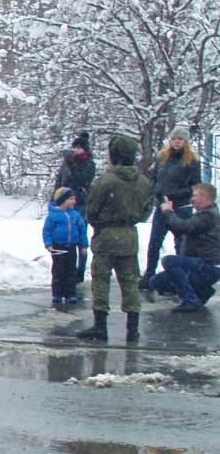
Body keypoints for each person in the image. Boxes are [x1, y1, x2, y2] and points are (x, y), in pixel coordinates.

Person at [76, 133, 151, 343]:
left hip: (107, 235)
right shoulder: (143, 181)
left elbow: (92, 207)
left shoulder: (107, 180)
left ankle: (100, 325)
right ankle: (132, 329)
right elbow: (147, 208)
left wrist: (99, 223)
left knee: (101, 280)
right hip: (129, 235)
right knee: (130, 282)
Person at [140, 126, 203, 297]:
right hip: (162, 206)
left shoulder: (191, 161)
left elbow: (195, 186)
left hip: (181, 208)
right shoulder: (162, 158)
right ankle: (149, 274)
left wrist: (175, 196)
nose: (176, 142)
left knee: (181, 245)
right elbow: (153, 178)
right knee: (154, 243)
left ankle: (180, 277)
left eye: (180, 139)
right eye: (174, 139)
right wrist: (157, 192)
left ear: (185, 142)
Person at [155, 182, 219, 314]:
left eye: (195, 195)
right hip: (199, 265)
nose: (192, 199)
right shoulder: (204, 214)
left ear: (205, 198)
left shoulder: (208, 217)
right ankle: (202, 290)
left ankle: (191, 300)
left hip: (207, 265)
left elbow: (184, 227)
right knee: (156, 282)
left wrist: (168, 211)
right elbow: (182, 229)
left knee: (169, 261)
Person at [42, 187, 88, 309]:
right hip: (58, 247)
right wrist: (48, 244)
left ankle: (70, 293)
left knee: (71, 271)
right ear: (62, 200)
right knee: (58, 270)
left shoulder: (75, 215)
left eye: (74, 199)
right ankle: (57, 293)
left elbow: (82, 229)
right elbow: (47, 231)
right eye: (70, 199)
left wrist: (84, 245)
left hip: (72, 246)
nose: (73, 201)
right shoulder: (53, 216)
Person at [52, 131, 96, 205]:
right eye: (75, 147)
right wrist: (53, 199)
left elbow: (82, 182)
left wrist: (72, 166)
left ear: (85, 149)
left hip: (78, 202)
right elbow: (59, 181)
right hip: (63, 201)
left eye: (79, 148)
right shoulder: (69, 161)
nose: (76, 150)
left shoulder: (89, 163)